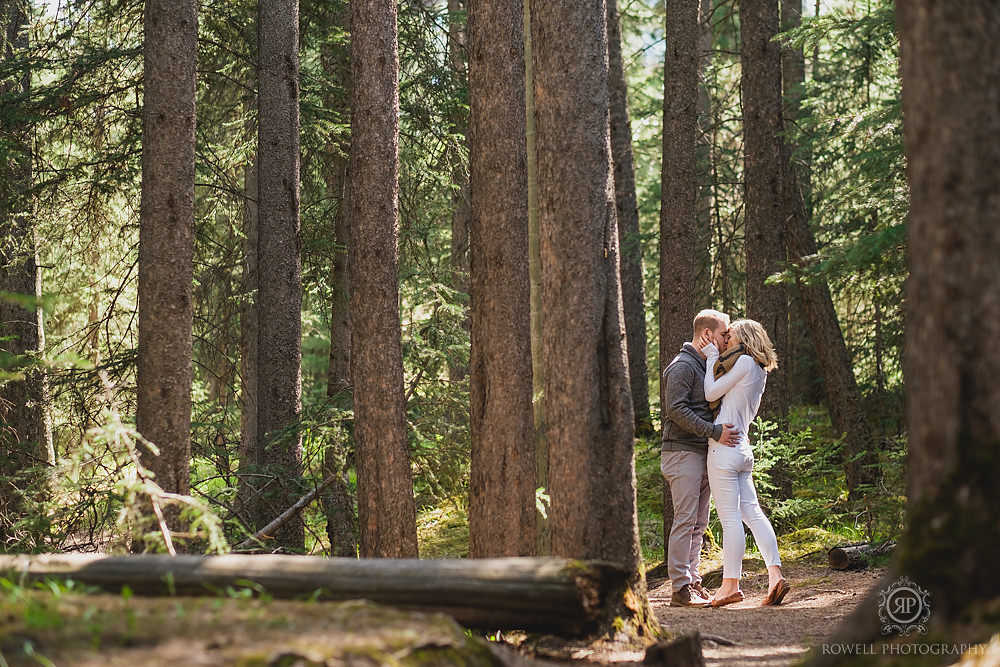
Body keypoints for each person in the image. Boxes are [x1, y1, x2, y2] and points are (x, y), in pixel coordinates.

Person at [699, 319, 790, 607]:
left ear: (745, 338)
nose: (727, 336)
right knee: (752, 513)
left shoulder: (745, 363)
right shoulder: (758, 368)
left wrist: (713, 357)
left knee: (730, 521)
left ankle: (730, 585)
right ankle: (775, 576)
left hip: (724, 449)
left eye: (732, 333)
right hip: (742, 449)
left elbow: (711, 393)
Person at [661, 309, 741, 607]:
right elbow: (676, 410)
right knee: (685, 520)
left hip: (700, 452)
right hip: (681, 452)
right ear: (707, 335)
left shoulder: (704, 365)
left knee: (698, 523)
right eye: (723, 335)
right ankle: (680, 588)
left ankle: (692, 582)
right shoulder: (683, 366)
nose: (725, 341)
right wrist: (714, 431)